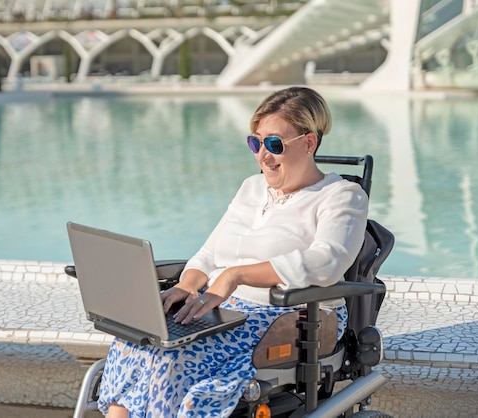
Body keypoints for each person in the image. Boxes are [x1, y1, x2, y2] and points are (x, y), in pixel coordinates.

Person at [97, 86, 369, 418]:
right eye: (256, 142)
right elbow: (211, 252)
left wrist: (236, 275)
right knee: (137, 343)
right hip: (226, 312)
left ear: (309, 142)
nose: (262, 156)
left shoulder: (341, 195)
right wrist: (189, 284)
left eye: (274, 144)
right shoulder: (251, 188)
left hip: (296, 318)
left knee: (174, 358)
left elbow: (327, 262)